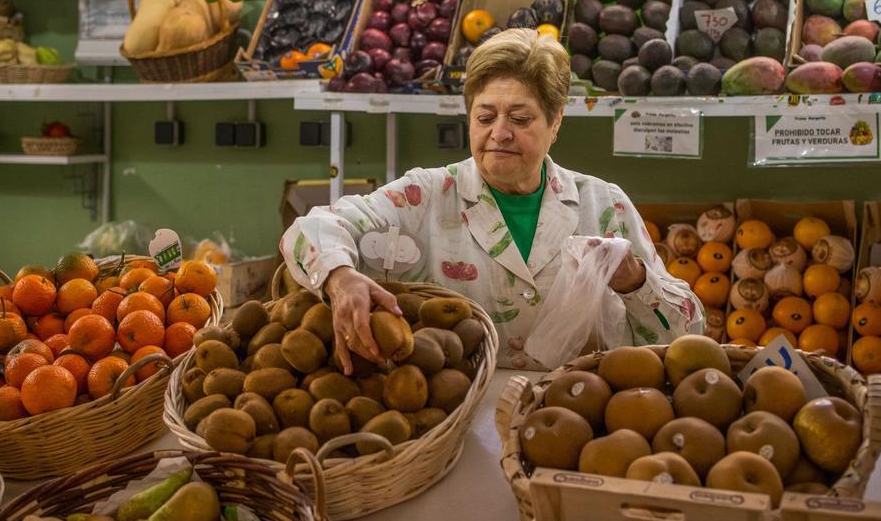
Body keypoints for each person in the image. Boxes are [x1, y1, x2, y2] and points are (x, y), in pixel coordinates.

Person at [280, 29, 703, 370]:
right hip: (457, 418)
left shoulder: (603, 206)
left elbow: (687, 335)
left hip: (580, 419)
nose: (499, 133)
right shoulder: (425, 195)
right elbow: (311, 228)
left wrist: (634, 282)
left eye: (520, 119)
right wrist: (340, 277)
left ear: (555, 122)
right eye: (485, 117)